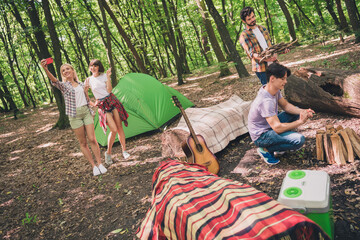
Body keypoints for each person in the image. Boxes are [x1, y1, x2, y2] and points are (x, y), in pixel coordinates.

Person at [40, 60, 107, 176]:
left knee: (92, 139)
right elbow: (54, 81)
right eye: (63, 70)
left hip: (86, 112)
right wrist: (46, 69)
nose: (66, 71)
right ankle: (94, 166)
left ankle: (100, 164)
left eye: (68, 69)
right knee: (83, 142)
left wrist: (95, 103)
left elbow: (87, 98)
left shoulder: (82, 84)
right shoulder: (64, 86)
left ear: (72, 70)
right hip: (74, 116)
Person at [247, 63, 315, 165]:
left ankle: (279, 143)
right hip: (261, 136)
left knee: (295, 111)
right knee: (298, 140)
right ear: (272, 78)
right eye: (283, 79)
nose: (285, 82)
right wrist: (300, 122)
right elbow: (277, 128)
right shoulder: (266, 101)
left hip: (270, 126)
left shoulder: (274, 90)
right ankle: (265, 149)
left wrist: (303, 111)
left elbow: (286, 106)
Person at [84, 59, 130, 165]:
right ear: (89, 68)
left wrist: (108, 77)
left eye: (96, 66)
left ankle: (124, 151)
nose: (93, 68)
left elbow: (109, 90)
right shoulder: (88, 80)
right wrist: (92, 102)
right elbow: (86, 98)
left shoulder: (104, 75)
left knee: (119, 128)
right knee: (113, 130)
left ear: (99, 67)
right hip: (102, 106)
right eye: (91, 66)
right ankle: (108, 153)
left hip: (112, 101)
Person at [239, 6, 289, 85]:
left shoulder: (263, 28)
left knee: (278, 88)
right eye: (249, 19)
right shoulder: (244, 35)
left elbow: (270, 47)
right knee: (268, 91)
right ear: (243, 21)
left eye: (253, 17)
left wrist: (281, 51)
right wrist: (267, 59)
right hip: (261, 67)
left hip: (273, 64)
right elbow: (252, 54)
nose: (252, 20)